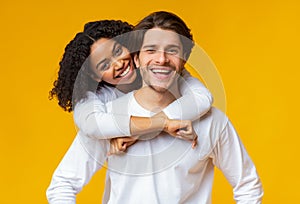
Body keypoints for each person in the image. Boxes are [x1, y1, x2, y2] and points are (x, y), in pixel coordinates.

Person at [47, 11, 263, 203]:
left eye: (172, 51)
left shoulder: (211, 120)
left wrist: (151, 127)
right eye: (151, 50)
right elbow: (62, 186)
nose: (161, 59)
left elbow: (248, 186)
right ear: (138, 57)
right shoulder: (109, 119)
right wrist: (157, 125)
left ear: (184, 58)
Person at [49, 20, 213, 152]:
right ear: (94, 75)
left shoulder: (159, 70)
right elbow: (92, 125)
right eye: (105, 65)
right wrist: (161, 124)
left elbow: (202, 98)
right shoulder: (101, 97)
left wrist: (143, 131)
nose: (119, 64)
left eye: (118, 51)